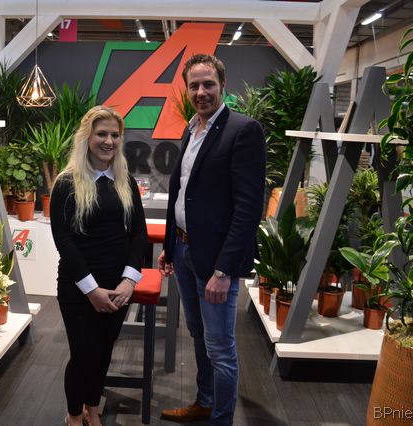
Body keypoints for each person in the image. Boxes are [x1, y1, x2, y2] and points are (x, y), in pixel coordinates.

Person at [158, 54, 266, 425]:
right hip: (184, 250)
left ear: (222, 85)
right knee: (197, 333)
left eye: (208, 84)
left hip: (215, 260)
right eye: (194, 85)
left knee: (220, 348)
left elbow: (248, 209)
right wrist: (171, 244)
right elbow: (182, 192)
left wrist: (224, 270)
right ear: (186, 90)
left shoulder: (243, 130)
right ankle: (204, 402)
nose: (201, 92)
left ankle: (221, 419)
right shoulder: (191, 129)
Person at [50, 105, 148, 426]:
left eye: (114, 135)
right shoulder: (66, 183)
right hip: (79, 287)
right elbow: (64, 240)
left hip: (117, 287)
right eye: (101, 134)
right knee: (84, 354)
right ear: (87, 137)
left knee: (104, 351)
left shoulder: (125, 181)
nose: (109, 141)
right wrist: (92, 290)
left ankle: (92, 409)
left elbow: (139, 233)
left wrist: (129, 281)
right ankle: (73, 416)